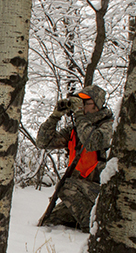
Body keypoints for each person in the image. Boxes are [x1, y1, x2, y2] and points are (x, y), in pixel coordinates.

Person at [36, 84, 114, 232]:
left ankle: (96, 229)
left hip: (102, 194)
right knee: (52, 220)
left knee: (66, 186)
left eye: (86, 103)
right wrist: (55, 116)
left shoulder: (109, 127)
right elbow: (43, 142)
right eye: (79, 102)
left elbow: (91, 141)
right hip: (81, 192)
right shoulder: (76, 130)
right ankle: (86, 223)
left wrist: (79, 115)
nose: (81, 106)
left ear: (97, 106)